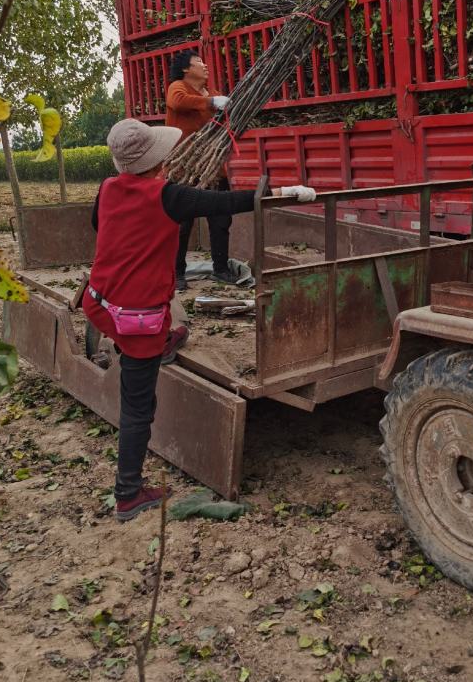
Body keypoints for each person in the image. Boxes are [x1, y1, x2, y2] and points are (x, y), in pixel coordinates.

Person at [83, 117, 315, 521]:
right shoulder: (167, 196)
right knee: (139, 408)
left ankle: (162, 343)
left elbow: (98, 225)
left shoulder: (107, 190)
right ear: (159, 161)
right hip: (135, 319)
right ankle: (128, 494)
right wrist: (286, 192)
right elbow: (222, 204)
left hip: (101, 302)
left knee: (155, 331)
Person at [165, 51, 236, 289]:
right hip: (185, 168)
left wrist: (220, 103)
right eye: (199, 63)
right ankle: (176, 274)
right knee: (182, 223)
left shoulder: (213, 93)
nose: (205, 66)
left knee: (221, 219)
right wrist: (210, 103)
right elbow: (177, 102)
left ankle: (221, 269)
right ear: (186, 69)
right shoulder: (178, 87)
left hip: (213, 167)